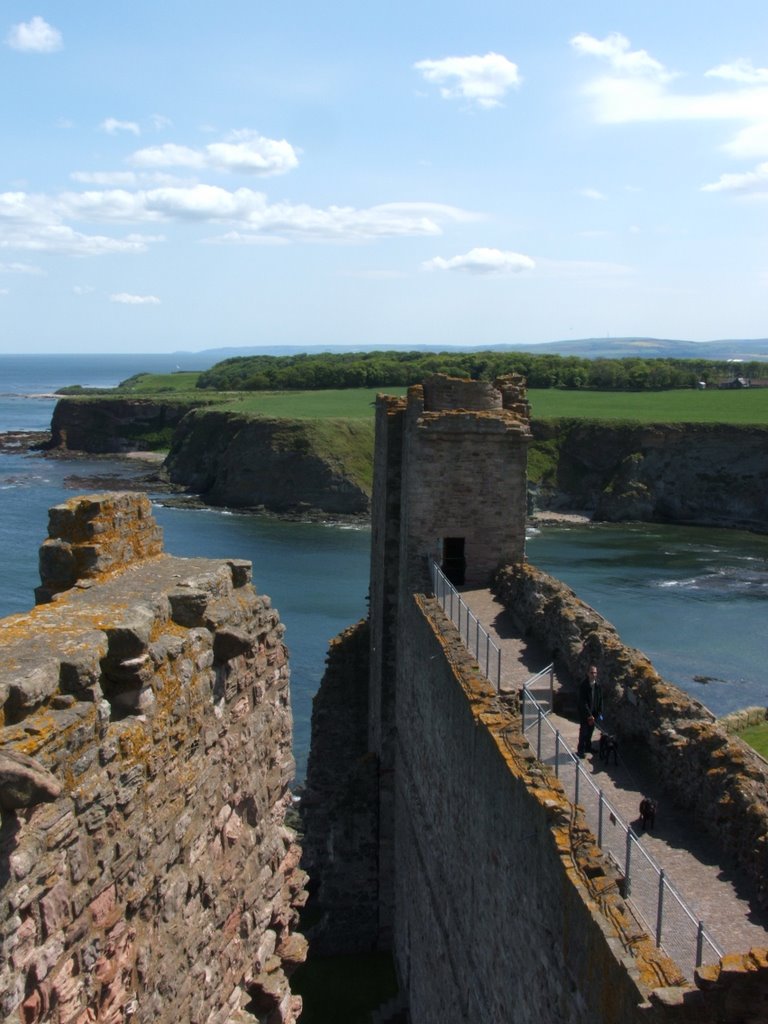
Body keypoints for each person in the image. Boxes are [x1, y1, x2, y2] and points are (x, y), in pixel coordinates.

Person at [577, 664, 603, 758]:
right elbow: (582, 702)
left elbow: (600, 698)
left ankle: (588, 747)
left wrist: (600, 711)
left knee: (590, 731)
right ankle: (580, 750)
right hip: (585, 714)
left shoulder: (598, 685)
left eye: (595, 673)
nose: (594, 674)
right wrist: (589, 715)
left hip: (594, 713)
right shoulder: (584, 685)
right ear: (588, 673)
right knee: (584, 731)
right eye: (592, 673)